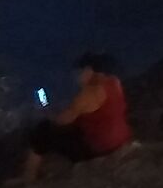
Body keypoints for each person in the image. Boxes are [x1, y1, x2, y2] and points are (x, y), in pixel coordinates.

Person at [25, 53, 132, 181]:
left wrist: (45, 111)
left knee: (42, 130)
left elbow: (62, 121)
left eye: (77, 74)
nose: (75, 78)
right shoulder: (114, 82)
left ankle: (29, 177)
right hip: (121, 139)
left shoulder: (88, 93)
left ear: (88, 70)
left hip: (100, 147)